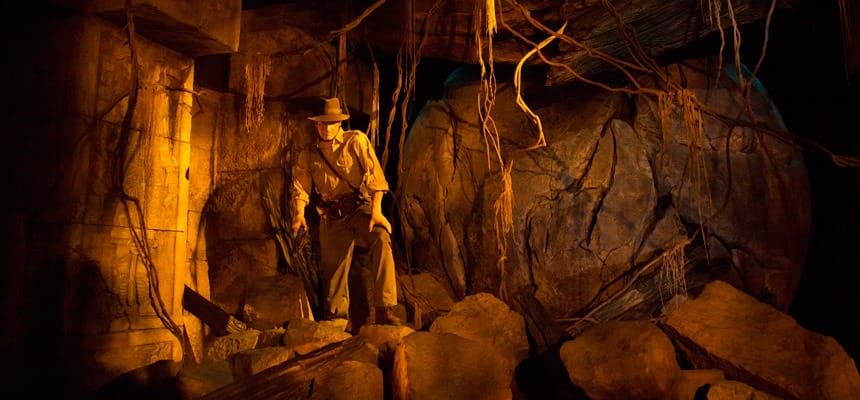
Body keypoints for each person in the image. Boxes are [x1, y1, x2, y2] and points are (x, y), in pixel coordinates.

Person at [290, 97, 402, 327]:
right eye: (323, 123)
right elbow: (300, 187)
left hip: (359, 207)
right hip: (332, 215)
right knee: (333, 270)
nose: (327, 128)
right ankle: (337, 320)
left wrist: (377, 211)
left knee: (381, 238)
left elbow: (376, 177)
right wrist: (299, 213)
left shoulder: (355, 141)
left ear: (339, 123)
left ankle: (384, 309)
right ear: (317, 125)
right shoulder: (309, 154)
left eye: (332, 123)